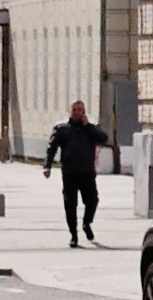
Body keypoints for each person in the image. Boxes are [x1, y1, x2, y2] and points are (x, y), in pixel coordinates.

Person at [45, 100, 108, 248]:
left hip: (87, 173)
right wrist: (47, 166)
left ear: (84, 112)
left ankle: (87, 223)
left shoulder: (90, 129)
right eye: (74, 109)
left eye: (80, 110)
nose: (77, 112)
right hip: (70, 174)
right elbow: (51, 148)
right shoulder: (62, 129)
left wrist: (88, 126)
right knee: (70, 205)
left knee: (92, 201)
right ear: (70, 111)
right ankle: (73, 235)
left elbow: (103, 138)